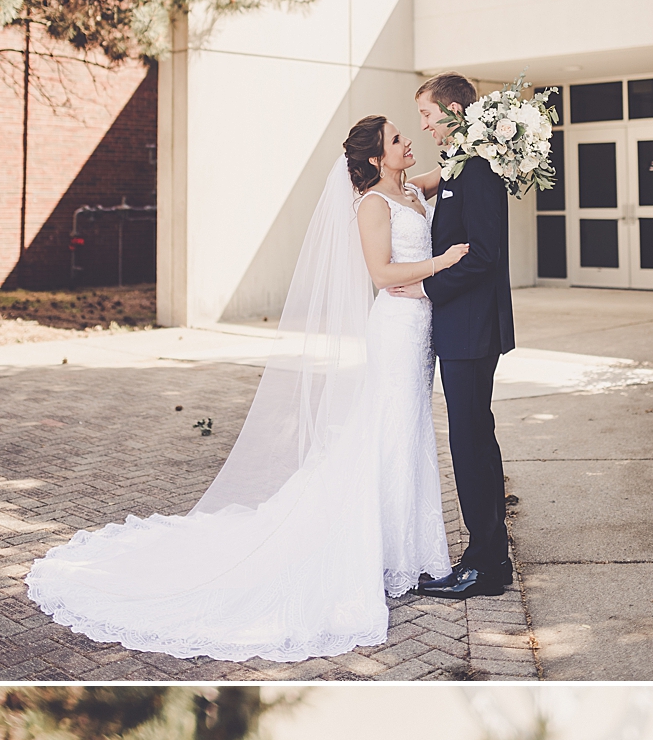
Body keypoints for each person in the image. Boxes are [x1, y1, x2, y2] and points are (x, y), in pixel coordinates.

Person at [24, 116, 463, 664]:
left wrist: (484, 141)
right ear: (376, 158)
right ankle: (380, 552)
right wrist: (439, 264)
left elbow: (445, 171)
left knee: (409, 432)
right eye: (397, 139)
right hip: (396, 328)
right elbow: (381, 274)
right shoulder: (374, 204)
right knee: (390, 432)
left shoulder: (412, 190)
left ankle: (406, 552)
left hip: (419, 330)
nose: (408, 141)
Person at [408, 73, 517, 601]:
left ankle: (483, 565)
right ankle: (493, 556)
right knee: (477, 438)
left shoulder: (477, 169)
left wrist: (427, 286)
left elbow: (485, 254)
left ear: (453, 110)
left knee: (470, 443)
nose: (424, 126)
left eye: (427, 116)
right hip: (465, 327)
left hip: (471, 328)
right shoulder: (463, 163)